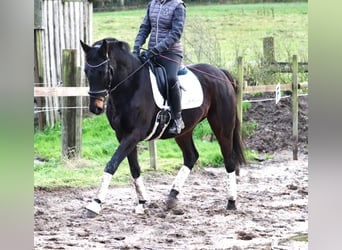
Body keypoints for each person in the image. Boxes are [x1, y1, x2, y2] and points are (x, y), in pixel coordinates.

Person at [133, 0, 186, 135]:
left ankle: (177, 119)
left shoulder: (178, 6)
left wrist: (157, 49)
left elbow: (176, 33)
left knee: (170, 78)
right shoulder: (153, 4)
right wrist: (137, 46)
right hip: (152, 51)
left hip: (171, 52)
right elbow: (145, 27)